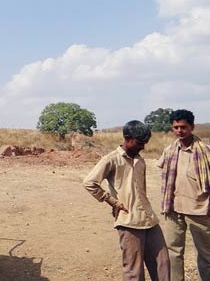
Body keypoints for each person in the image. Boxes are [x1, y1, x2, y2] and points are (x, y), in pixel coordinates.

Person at [83, 120, 170, 281]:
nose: (143, 146)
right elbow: (89, 182)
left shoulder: (140, 160)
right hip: (129, 221)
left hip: (149, 219)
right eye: (139, 142)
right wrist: (112, 201)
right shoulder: (111, 159)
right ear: (127, 138)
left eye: (145, 143)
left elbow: (141, 191)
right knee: (134, 271)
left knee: (162, 264)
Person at [157, 109, 210, 281]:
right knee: (173, 253)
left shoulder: (205, 152)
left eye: (183, 127)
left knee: (206, 255)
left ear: (192, 127)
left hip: (200, 211)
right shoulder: (170, 151)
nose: (179, 131)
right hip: (174, 209)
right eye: (176, 127)